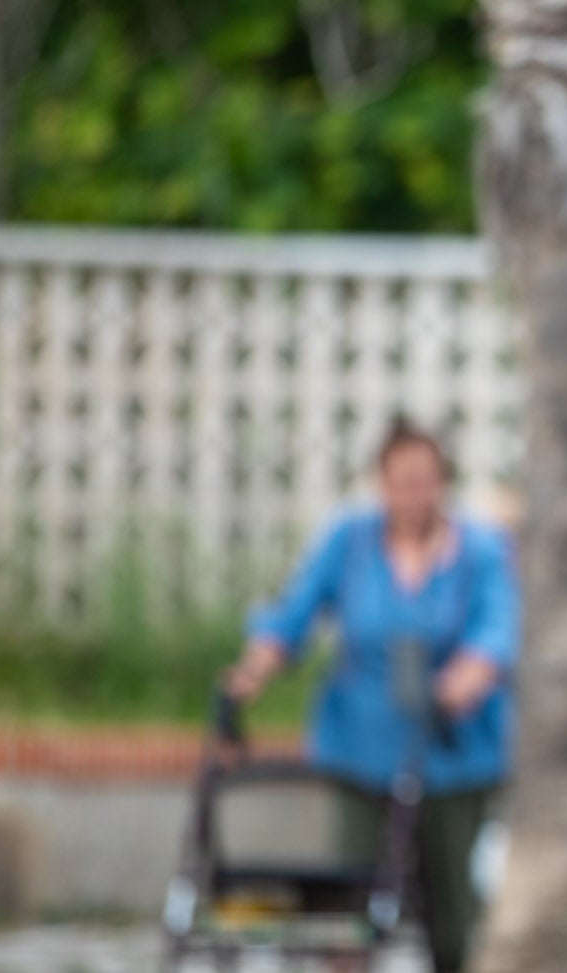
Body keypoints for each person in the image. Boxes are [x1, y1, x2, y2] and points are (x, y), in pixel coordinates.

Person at [224, 417, 521, 973]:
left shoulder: (480, 548)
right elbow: (294, 612)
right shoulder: (350, 539)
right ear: (382, 483)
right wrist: (253, 671)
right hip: (359, 749)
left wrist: (469, 676)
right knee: (349, 905)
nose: (415, 493)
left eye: (426, 480)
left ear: (443, 482)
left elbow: (498, 629)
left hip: (452, 754)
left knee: (454, 913)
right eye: (403, 481)